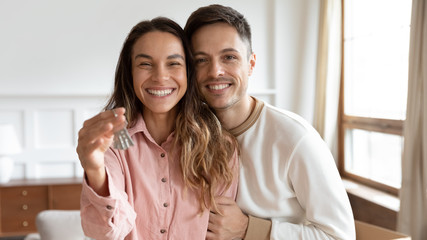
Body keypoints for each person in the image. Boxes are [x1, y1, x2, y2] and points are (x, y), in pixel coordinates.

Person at [184, 4, 356, 240]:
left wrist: (250, 229)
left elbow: (341, 236)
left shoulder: (296, 138)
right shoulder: (186, 132)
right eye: (201, 60)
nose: (215, 71)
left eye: (229, 57)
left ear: (251, 64)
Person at [76, 17, 239, 240]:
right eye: (145, 64)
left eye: (173, 63)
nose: (160, 77)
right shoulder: (112, 141)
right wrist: (95, 169)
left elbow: (221, 232)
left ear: (188, 72)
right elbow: (106, 233)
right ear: (130, 72)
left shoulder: (220, 145)